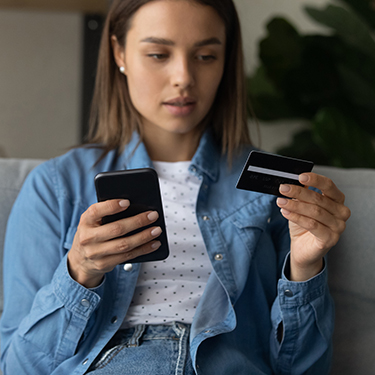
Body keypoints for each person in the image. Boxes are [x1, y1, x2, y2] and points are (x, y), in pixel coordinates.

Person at [0, 0, 351, 374]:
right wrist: (79, 272)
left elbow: (304, 369)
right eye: (158, 54)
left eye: (205, 56)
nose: (183, 76)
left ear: (225, 60)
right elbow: (18, 367)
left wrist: (306, 266)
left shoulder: (272, 186)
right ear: (119, 52)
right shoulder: (56, 186)